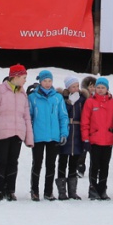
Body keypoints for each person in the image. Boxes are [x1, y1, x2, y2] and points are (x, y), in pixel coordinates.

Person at [0, 64, 34, 201]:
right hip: (3, 132)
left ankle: (10, 190)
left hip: (18, 132)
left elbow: (26, 117)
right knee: (1, 161)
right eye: (23, 77)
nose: (25, 80)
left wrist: (29, 138)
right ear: (16, 77)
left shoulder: (23, 94)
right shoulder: (0, 91)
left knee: (13, 161)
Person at [27, 70, 69, 201]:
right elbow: (28, 117)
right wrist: (29, 134)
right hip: (38, 136)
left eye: (49, 81)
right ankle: (34, 190)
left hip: (53, 136)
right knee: (37, 163)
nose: (47, 83)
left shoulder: (58, 97)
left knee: (51, 164)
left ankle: (48, 191)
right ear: (40, 81)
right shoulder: (32, 97)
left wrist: (64, 133)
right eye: (45, 81)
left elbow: (63, 116)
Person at [81, 77, 113, 200]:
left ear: (107, 89)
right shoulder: (90, 102)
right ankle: (93, 189)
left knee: (105, 165)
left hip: (108, 139)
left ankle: (102, 189)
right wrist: (86, 139)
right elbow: (85, 121)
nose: (100, 90)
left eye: (103, 87)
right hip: (94, 139)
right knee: (95, 165)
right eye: (98, 87)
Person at [59, 76, 87, 200]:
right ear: (68, 88)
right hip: (66, 132)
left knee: (74, 162)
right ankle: (62, 191)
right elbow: (62, 113)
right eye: (73, 86)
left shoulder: (82, 99)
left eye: (77, 86)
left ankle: (72, 191)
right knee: (62, 161)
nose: (76, 89)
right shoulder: (63, 99)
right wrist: (69, 103)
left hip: (77, 133)